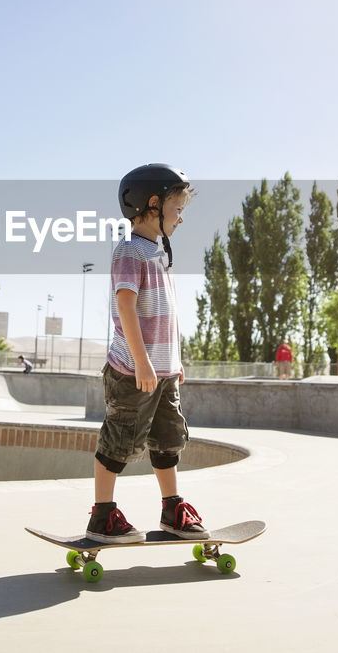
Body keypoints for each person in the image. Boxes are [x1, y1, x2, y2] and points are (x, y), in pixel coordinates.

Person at [86, 163, 210, 544]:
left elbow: (164, 317)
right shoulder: (129, 251)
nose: (181, 218)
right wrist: (141, 360)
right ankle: (103, 515)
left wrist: (174, 361)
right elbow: (126, 307)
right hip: (132, 371)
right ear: (153, 204)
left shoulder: (159, 254)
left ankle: (172, 507)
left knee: (168, 440)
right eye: (178, 208)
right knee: (119, 442)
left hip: (163, 372)